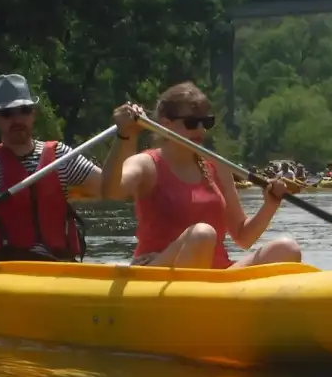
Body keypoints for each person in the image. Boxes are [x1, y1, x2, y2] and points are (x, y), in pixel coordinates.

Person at [101, 81, 301, 269]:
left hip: (216, 275)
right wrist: (125, 136)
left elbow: (243, 236)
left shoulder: (217, 166)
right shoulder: (146, 164)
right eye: (191, 123)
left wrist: (270, 205)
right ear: (165, 123)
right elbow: (111, 191)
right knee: (202, 234)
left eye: (206, 122)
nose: (200, 129)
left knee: (287, 249)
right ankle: (152, 270)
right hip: (161, 274)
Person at [0, 74, 103, 261]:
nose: (17, 120)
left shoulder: (61, 157)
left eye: (23, 110)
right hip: (5, 267)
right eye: (7, 113)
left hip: (59, 265)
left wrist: (124, 139)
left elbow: (112, 187)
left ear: (33, 113)